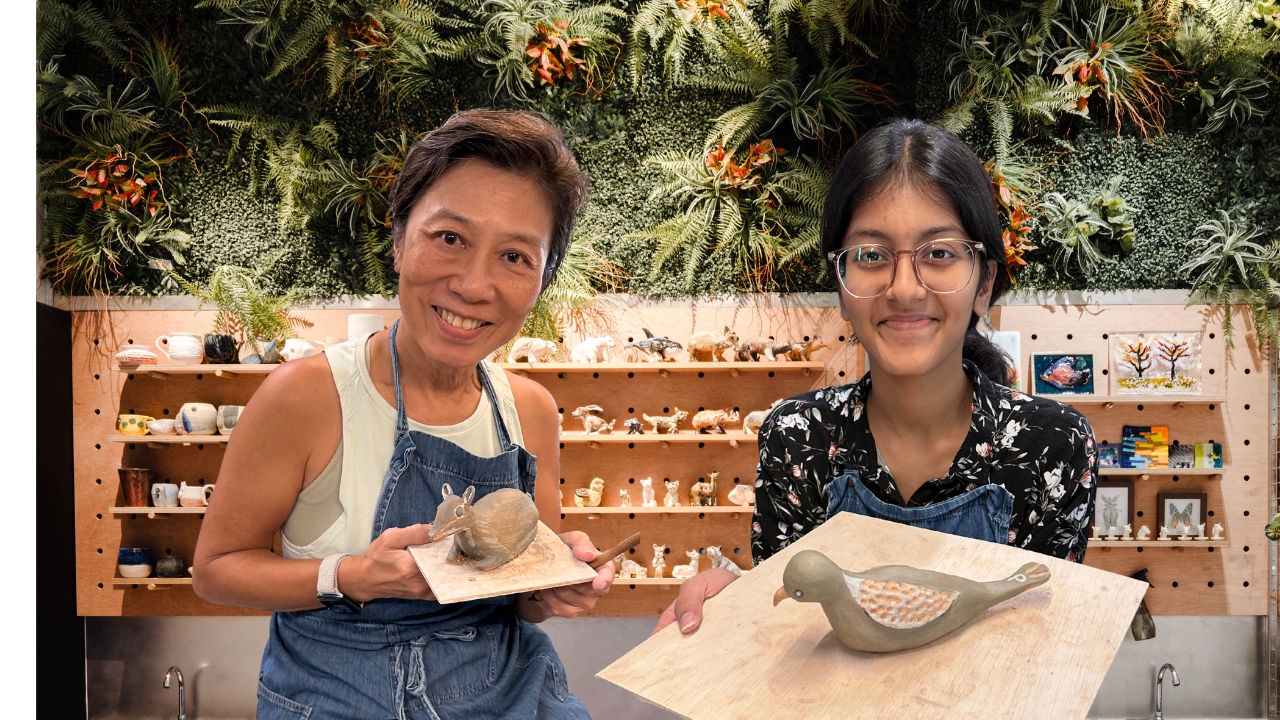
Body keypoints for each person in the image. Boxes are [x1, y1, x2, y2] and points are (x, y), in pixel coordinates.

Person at [193, 110, 613, 719]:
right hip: (337, 698)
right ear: (398, 241)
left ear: (543, 280)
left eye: (515, 256)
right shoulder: (306, 398)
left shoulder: (530, 410)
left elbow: (524, 599)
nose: (474, 285)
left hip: (504, 696)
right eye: (450, 238)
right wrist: (350, 576)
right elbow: (215, 572)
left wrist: (556, 582)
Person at [656, 117, 1098, 635]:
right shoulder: (797, 437)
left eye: (939, 253)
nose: (905, 289)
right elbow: (797, 629)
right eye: (870, 255)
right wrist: (739, 603)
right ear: (841, 286)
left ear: (984, 284)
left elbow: (1037, 639)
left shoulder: (1053, 444)